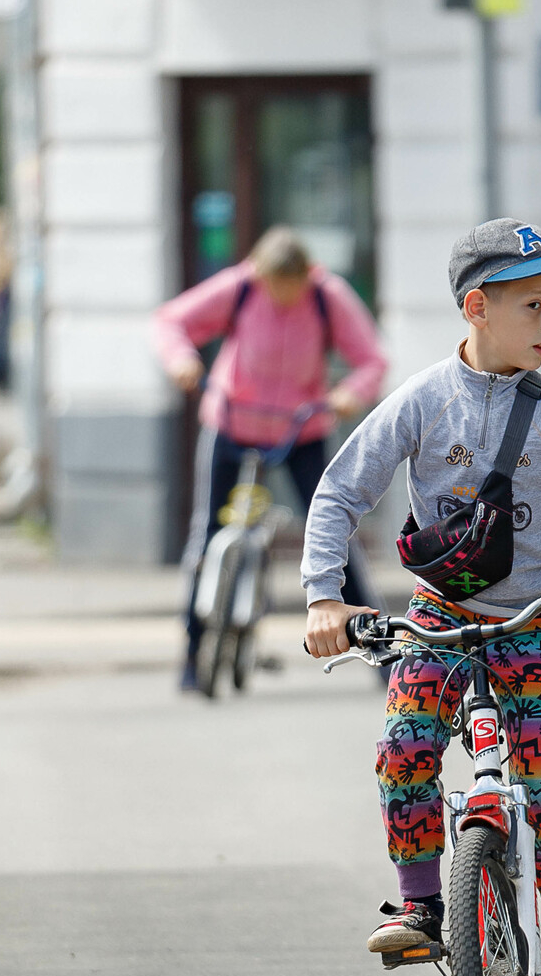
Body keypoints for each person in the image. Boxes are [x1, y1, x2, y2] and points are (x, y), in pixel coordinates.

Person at [301, 218, 541, 976]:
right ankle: (425, 902)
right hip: (439, 617)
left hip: (535, 621)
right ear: (476, 308)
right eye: (534, 305)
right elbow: (338, 493)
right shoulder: (425, 400)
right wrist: (325, 598)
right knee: (403, 751)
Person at [154, 226, 388, 692]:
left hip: (302, 428)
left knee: (334, 536)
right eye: (272, 288)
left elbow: (373, 360)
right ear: (257, 274)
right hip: (232, 421)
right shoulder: (240, 288)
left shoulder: (328, 297)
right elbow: (170, 322)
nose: (280, 297)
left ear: (308, 276)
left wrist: (348, 394)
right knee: (208, 534)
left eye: (290, 289)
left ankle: (382, 655)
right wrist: (180, 360)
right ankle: (192, 653)